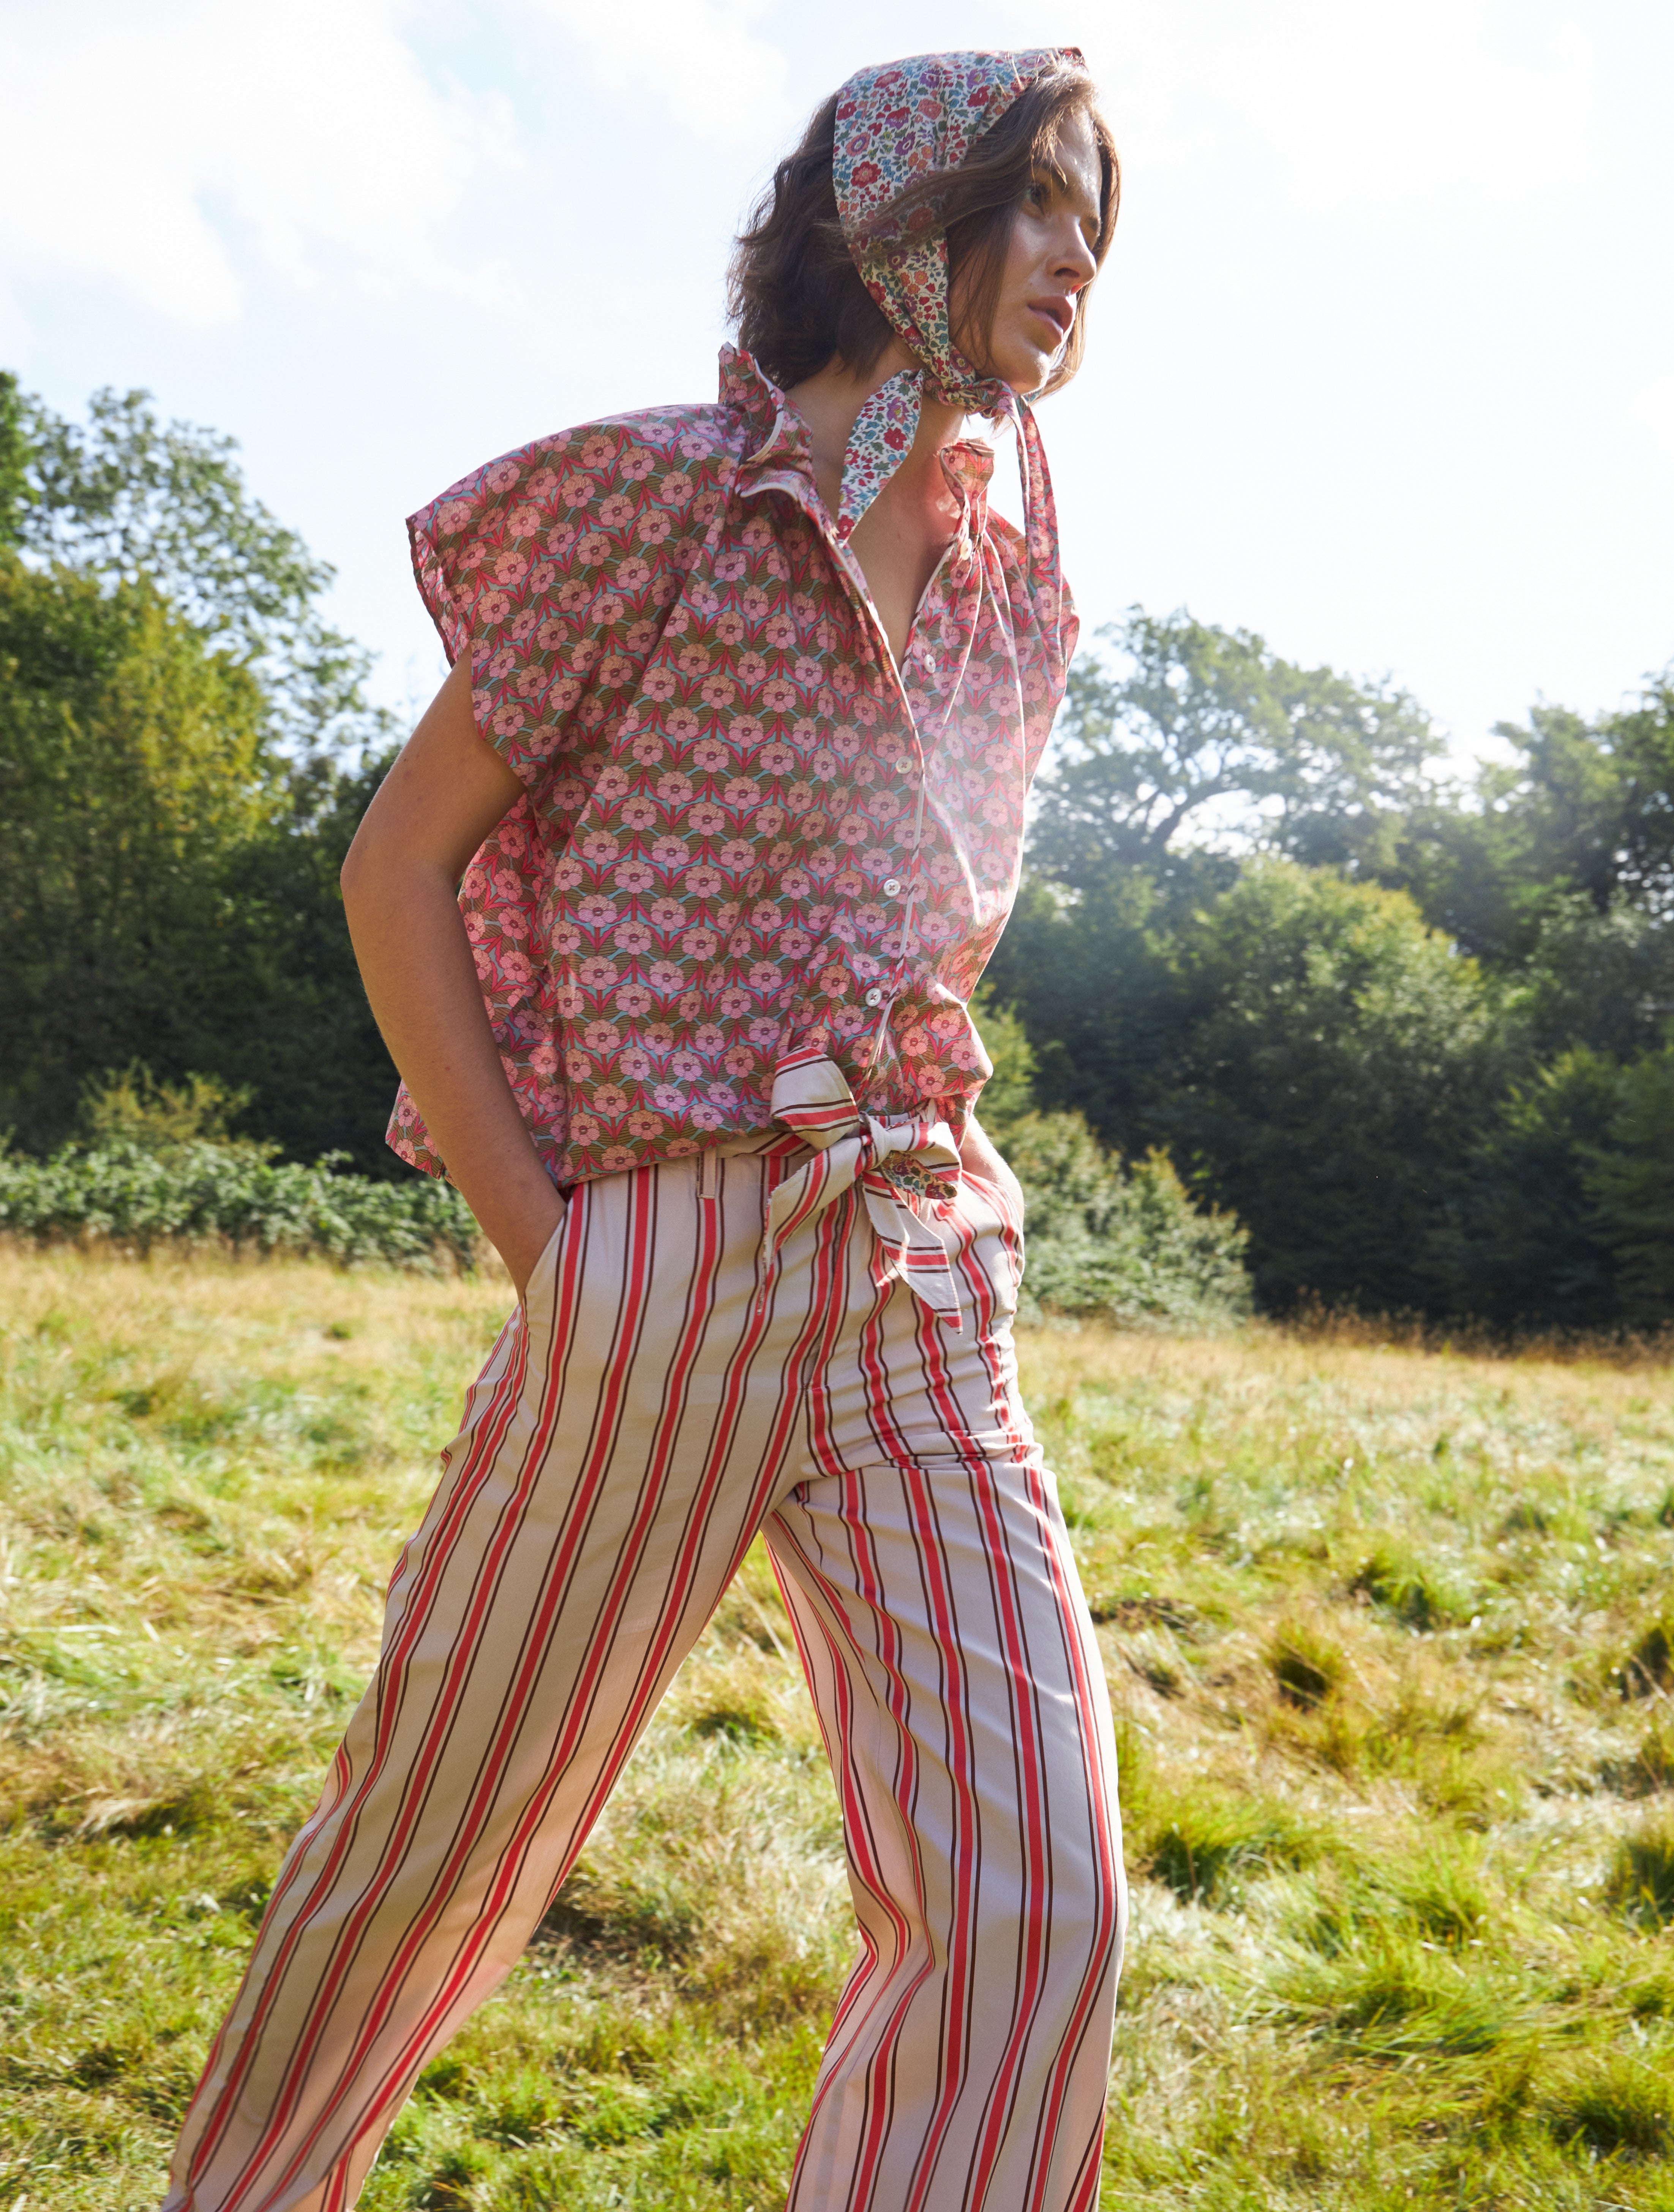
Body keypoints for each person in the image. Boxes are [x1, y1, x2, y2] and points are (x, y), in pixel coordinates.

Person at [163, 47, 1126, 2212]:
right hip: (655, 1259)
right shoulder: (641, 505)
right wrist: (551, 1244)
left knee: (1037, 1912)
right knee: (433, 1856)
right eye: (1038, 206)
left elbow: (934, 929)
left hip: (915, 1270)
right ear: (897, 217)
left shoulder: (1010, 584)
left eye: (1096, 225)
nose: (1076, 260)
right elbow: (395, 866)